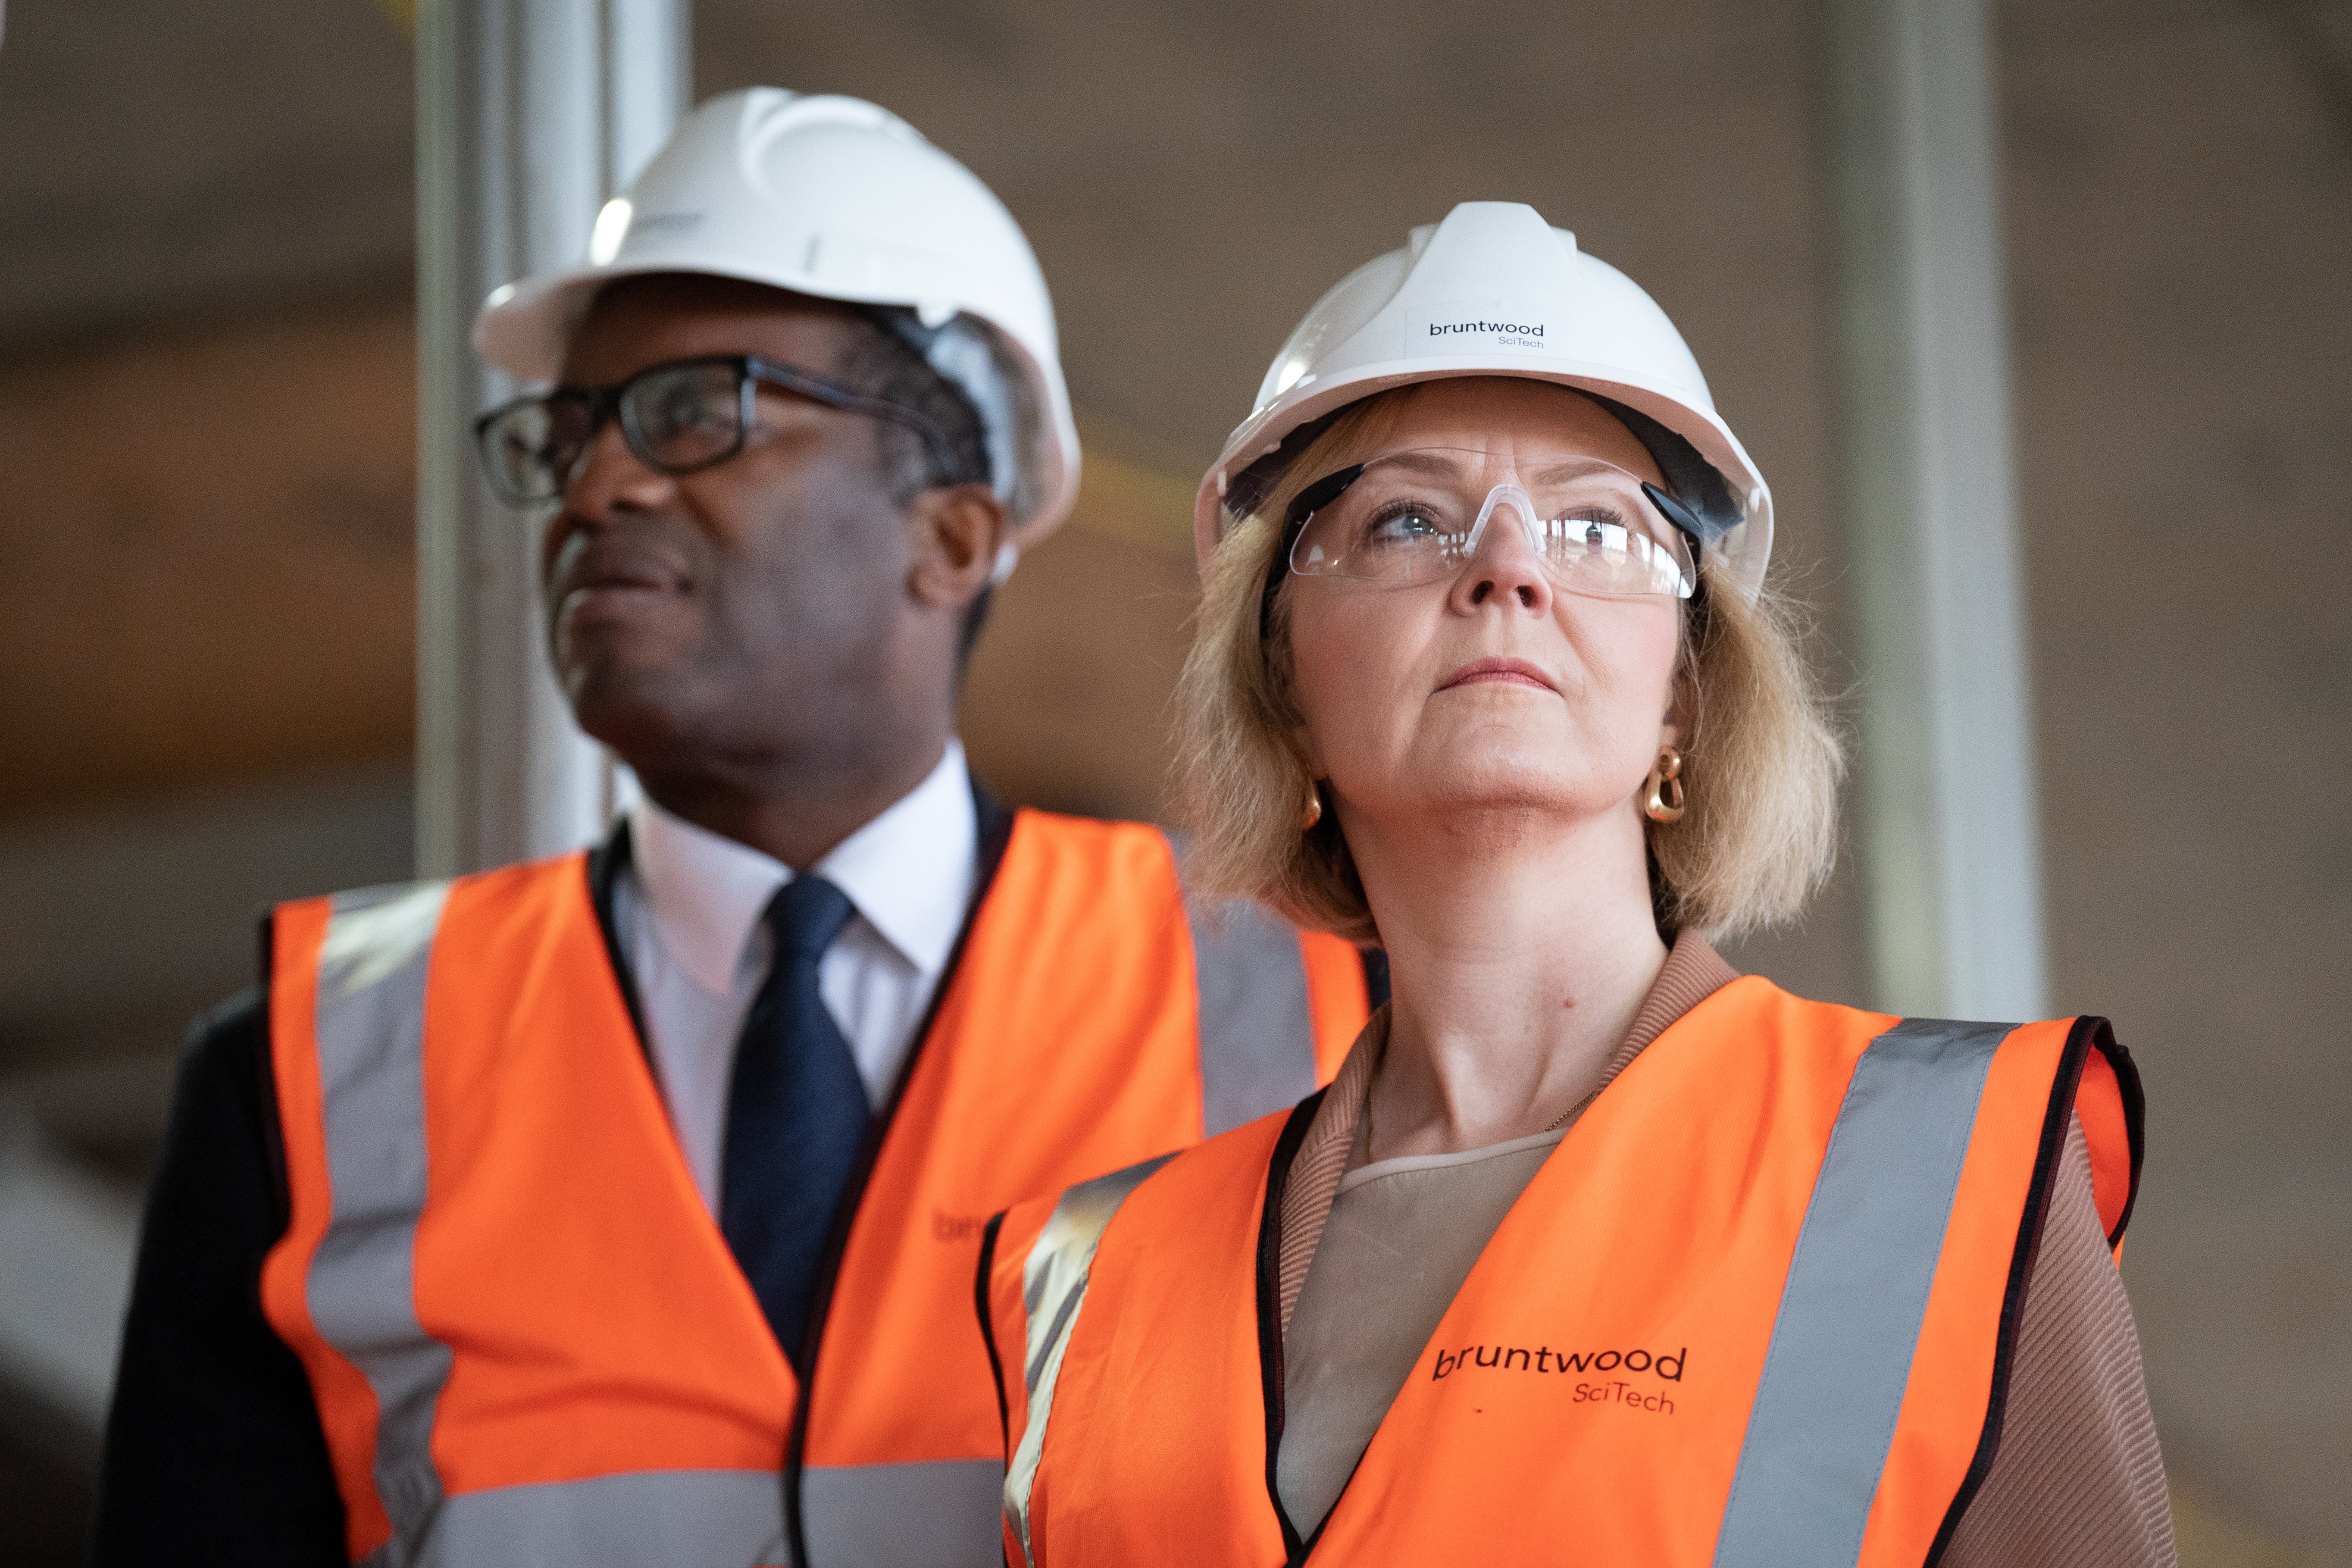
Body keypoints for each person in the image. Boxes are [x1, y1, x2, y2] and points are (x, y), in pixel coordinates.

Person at [94, 89, 1372, 1568]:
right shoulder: (305, 1076)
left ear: (951, 535)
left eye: (699, 413)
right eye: (564, 436)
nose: (598, 486)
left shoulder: (1319, 998)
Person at [979, 201, 2174, 1566]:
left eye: (1599, 531)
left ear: (1683, 697)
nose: (1507, 568)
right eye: (1407, 520)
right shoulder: (1099, 1274)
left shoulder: (1952, 1174)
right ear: (1286, 686)